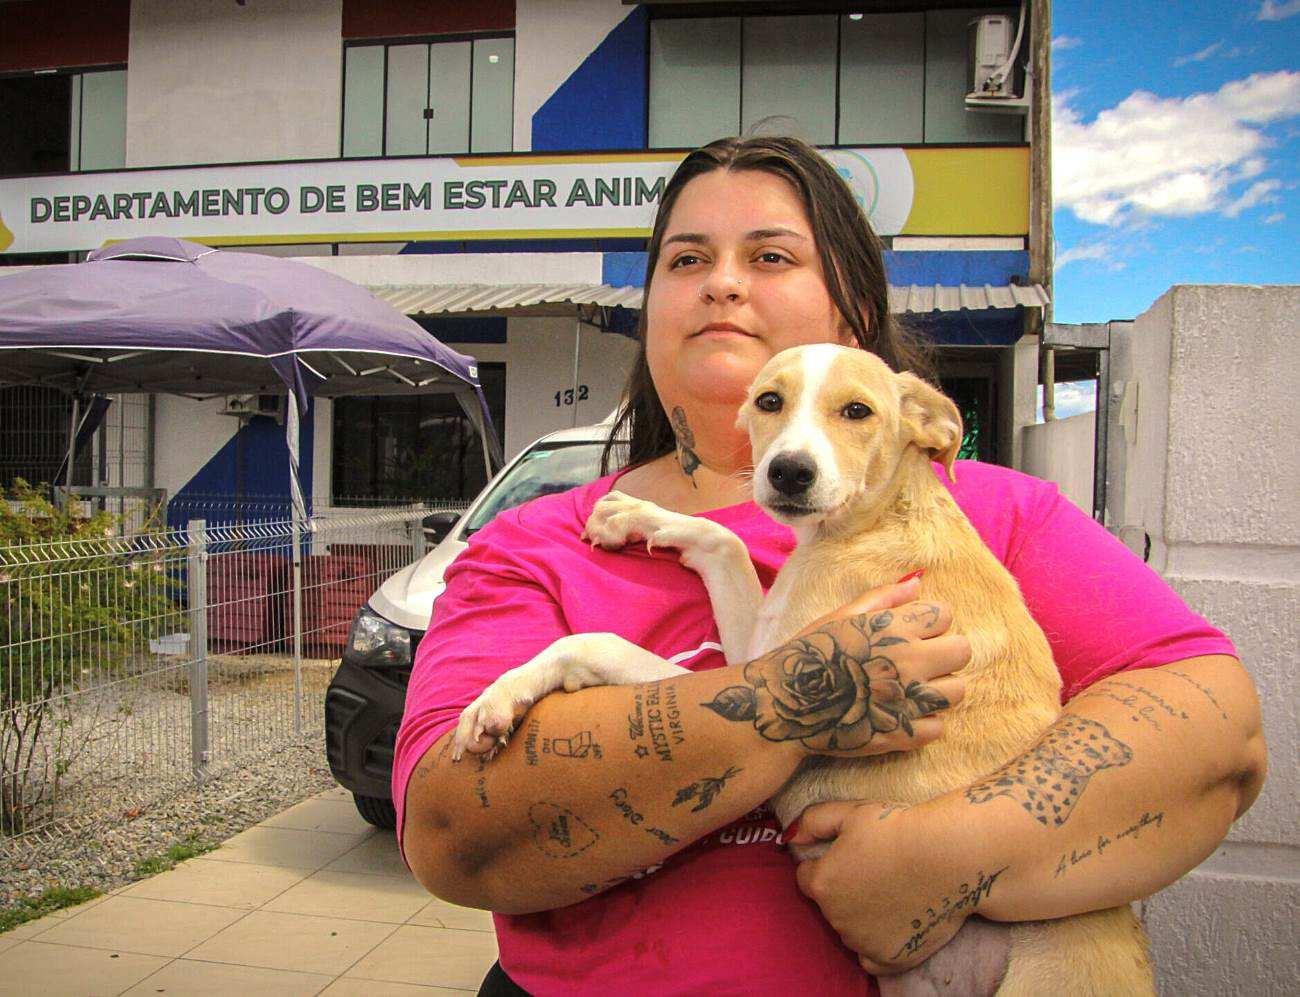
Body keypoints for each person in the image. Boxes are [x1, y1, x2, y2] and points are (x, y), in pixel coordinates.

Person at [396, 137, 1266, 996]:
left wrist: (941, 855)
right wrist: (789, 701)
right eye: (685, 258)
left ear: (851, 312)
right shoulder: (534, 542)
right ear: (651, 308)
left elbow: (1220, 736)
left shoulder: (991, 510)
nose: (723, 282)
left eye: (770, 255)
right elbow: (447, 833)